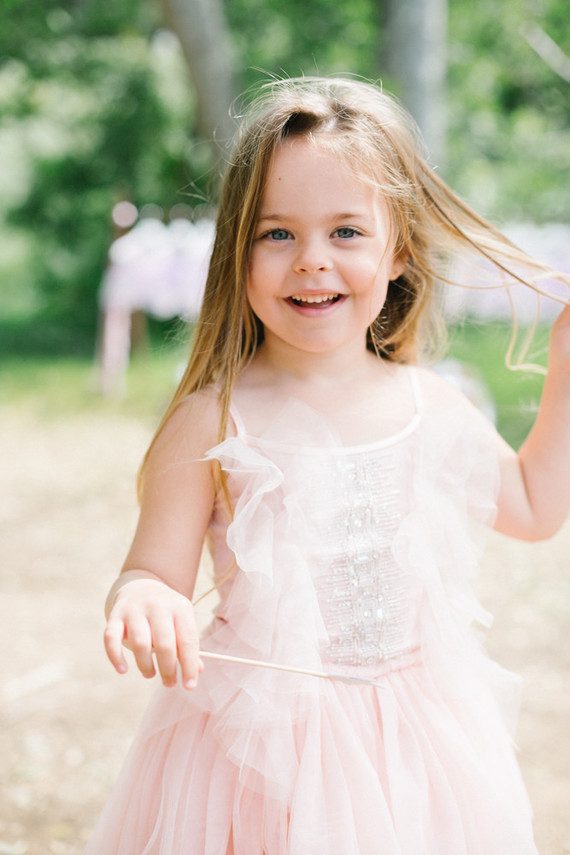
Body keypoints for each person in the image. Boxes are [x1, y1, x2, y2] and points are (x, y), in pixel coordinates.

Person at [85, 77, 570, 855]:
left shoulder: (430, 402)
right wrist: (144, 597)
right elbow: (151, 570)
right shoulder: (212, 418)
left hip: (414, 749)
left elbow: (535, 505)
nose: (312, 261)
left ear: (398, 249)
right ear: (237, 250)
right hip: (254, 756)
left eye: (346, 231)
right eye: (277, 234)